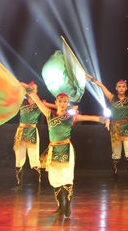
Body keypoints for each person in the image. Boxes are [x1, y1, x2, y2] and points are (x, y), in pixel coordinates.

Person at [27, 85, 108, 220]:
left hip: (66, 148)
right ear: (56, 102)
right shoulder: (49, 114)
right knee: (54, 178)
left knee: (67, 177)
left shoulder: (71, 117)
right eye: (60, 101)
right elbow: (37, 100)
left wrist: (104, 120)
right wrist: (28, 90)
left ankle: (68, 205)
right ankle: (60, 206)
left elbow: (88, 118)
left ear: (67, 103)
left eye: (65, 102)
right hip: (53, 149)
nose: (63, 104)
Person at [12, 81, 52, 191]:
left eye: (34, 88)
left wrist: (67, 108)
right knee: (19, 159)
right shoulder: (21, 101)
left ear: (36, 91)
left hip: (32, 132)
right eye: (31, 88)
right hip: (21, 131)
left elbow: (52, 108)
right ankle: (19, 185)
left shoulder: (39, 104)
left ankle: (37, 186)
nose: (32, 89)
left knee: (34, 160)